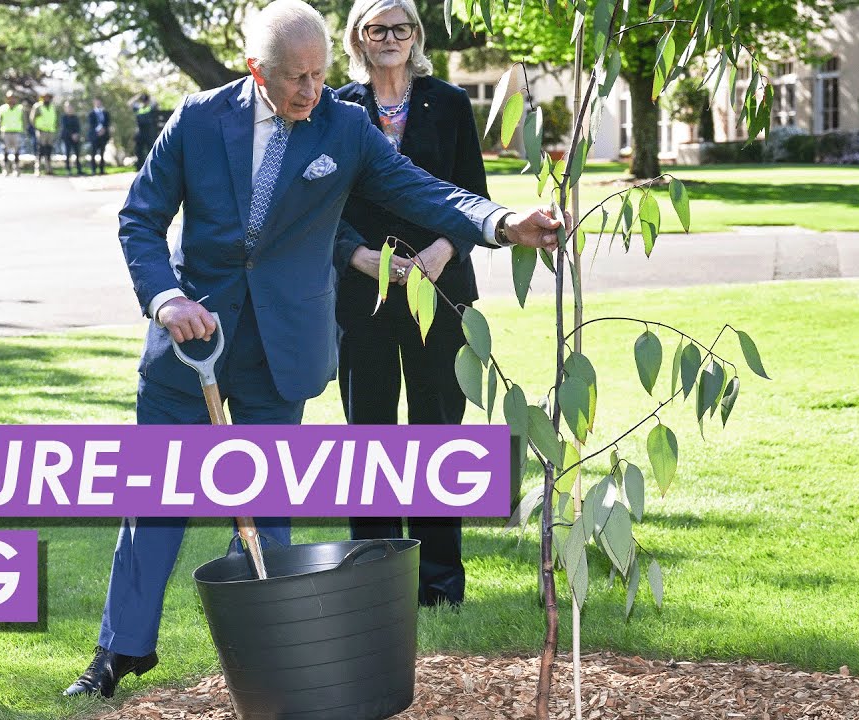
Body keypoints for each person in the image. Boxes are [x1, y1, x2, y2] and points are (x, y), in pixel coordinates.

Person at [62, 0, 562, 699]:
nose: (309, 91)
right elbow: (140, 218)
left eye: (320, 74)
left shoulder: (343, 126)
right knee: (152, 496)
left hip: (281, 346)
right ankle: (121, 651)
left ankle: (272, 657)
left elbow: (426, 193)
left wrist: (503, 221)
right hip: (191, 341)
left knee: (264, 508)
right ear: (253, 70)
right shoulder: (200, 119)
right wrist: (165, 297)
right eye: (294, 78)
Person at [336, 0, 485, 607]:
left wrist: (444, 252)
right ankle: (375, 581)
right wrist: (359, 257)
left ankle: (440, 586)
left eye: (401, 28)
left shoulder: (449, 103)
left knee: (437, 434)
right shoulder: (336, 108)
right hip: (363, 297)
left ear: (417, 35)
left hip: (441, 291)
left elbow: (474, 196)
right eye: (378, 28)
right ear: (359, 38)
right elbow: (317, 206)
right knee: (369, 436)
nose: (391, 37)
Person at [0, 90, 24, 176]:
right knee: (5, 151)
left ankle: (16, 169)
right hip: (6, 132)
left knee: (16, 151)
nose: (11, 100)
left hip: (16, 132)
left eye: (13, 98)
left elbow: (24, 120)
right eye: (9, 98)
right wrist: (1, 128)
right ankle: (5, 169)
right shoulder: (2, 108)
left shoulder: (20, 108)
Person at [30, 92, 57, 177]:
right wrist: (37, 128)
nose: (46, 99)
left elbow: (55, 118)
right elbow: (32, 118)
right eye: (45, 97)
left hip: (50, 131)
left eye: (48, 97)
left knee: (48, 150)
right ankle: (37, 169)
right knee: (40, 150)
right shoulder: (38, 106)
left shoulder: (52, 107)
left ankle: (48, 168)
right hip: (41, 131)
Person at [129, 91, 158, 169]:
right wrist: (138, 96)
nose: (144, 102)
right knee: (139, 151)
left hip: (149, 132)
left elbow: (155, 102)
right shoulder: (139, 107)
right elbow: (130, 103)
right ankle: (140, 166)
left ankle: (150, 167)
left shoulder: (150, 107)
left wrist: (149, 96)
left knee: (150, 150)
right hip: (141, 132)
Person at [87, 96, 111, 174]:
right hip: (94, 136)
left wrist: (103, 129)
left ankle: (101, 169)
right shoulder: (91, 113)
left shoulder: (105, 113)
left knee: (102, 153)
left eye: (99, 101)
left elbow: (107, 123)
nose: (98, 103)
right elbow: (91, 124)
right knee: (93, 153)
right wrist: (98, 130)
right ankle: (93, 169)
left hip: (103, 136)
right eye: (96, 102)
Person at [60, 99, 84, 175]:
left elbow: (78, 127)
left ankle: (79, 169)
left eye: (70, 107)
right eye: (68, 107)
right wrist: (72, 135)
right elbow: (65, 128)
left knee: (77, 154)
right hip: (67, 138)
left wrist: (76, 134)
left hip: (76, 138)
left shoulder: (75, 117)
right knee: (67, 154)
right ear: (65, 108)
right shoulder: (64, 117)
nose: (69, 109)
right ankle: (68, 170)